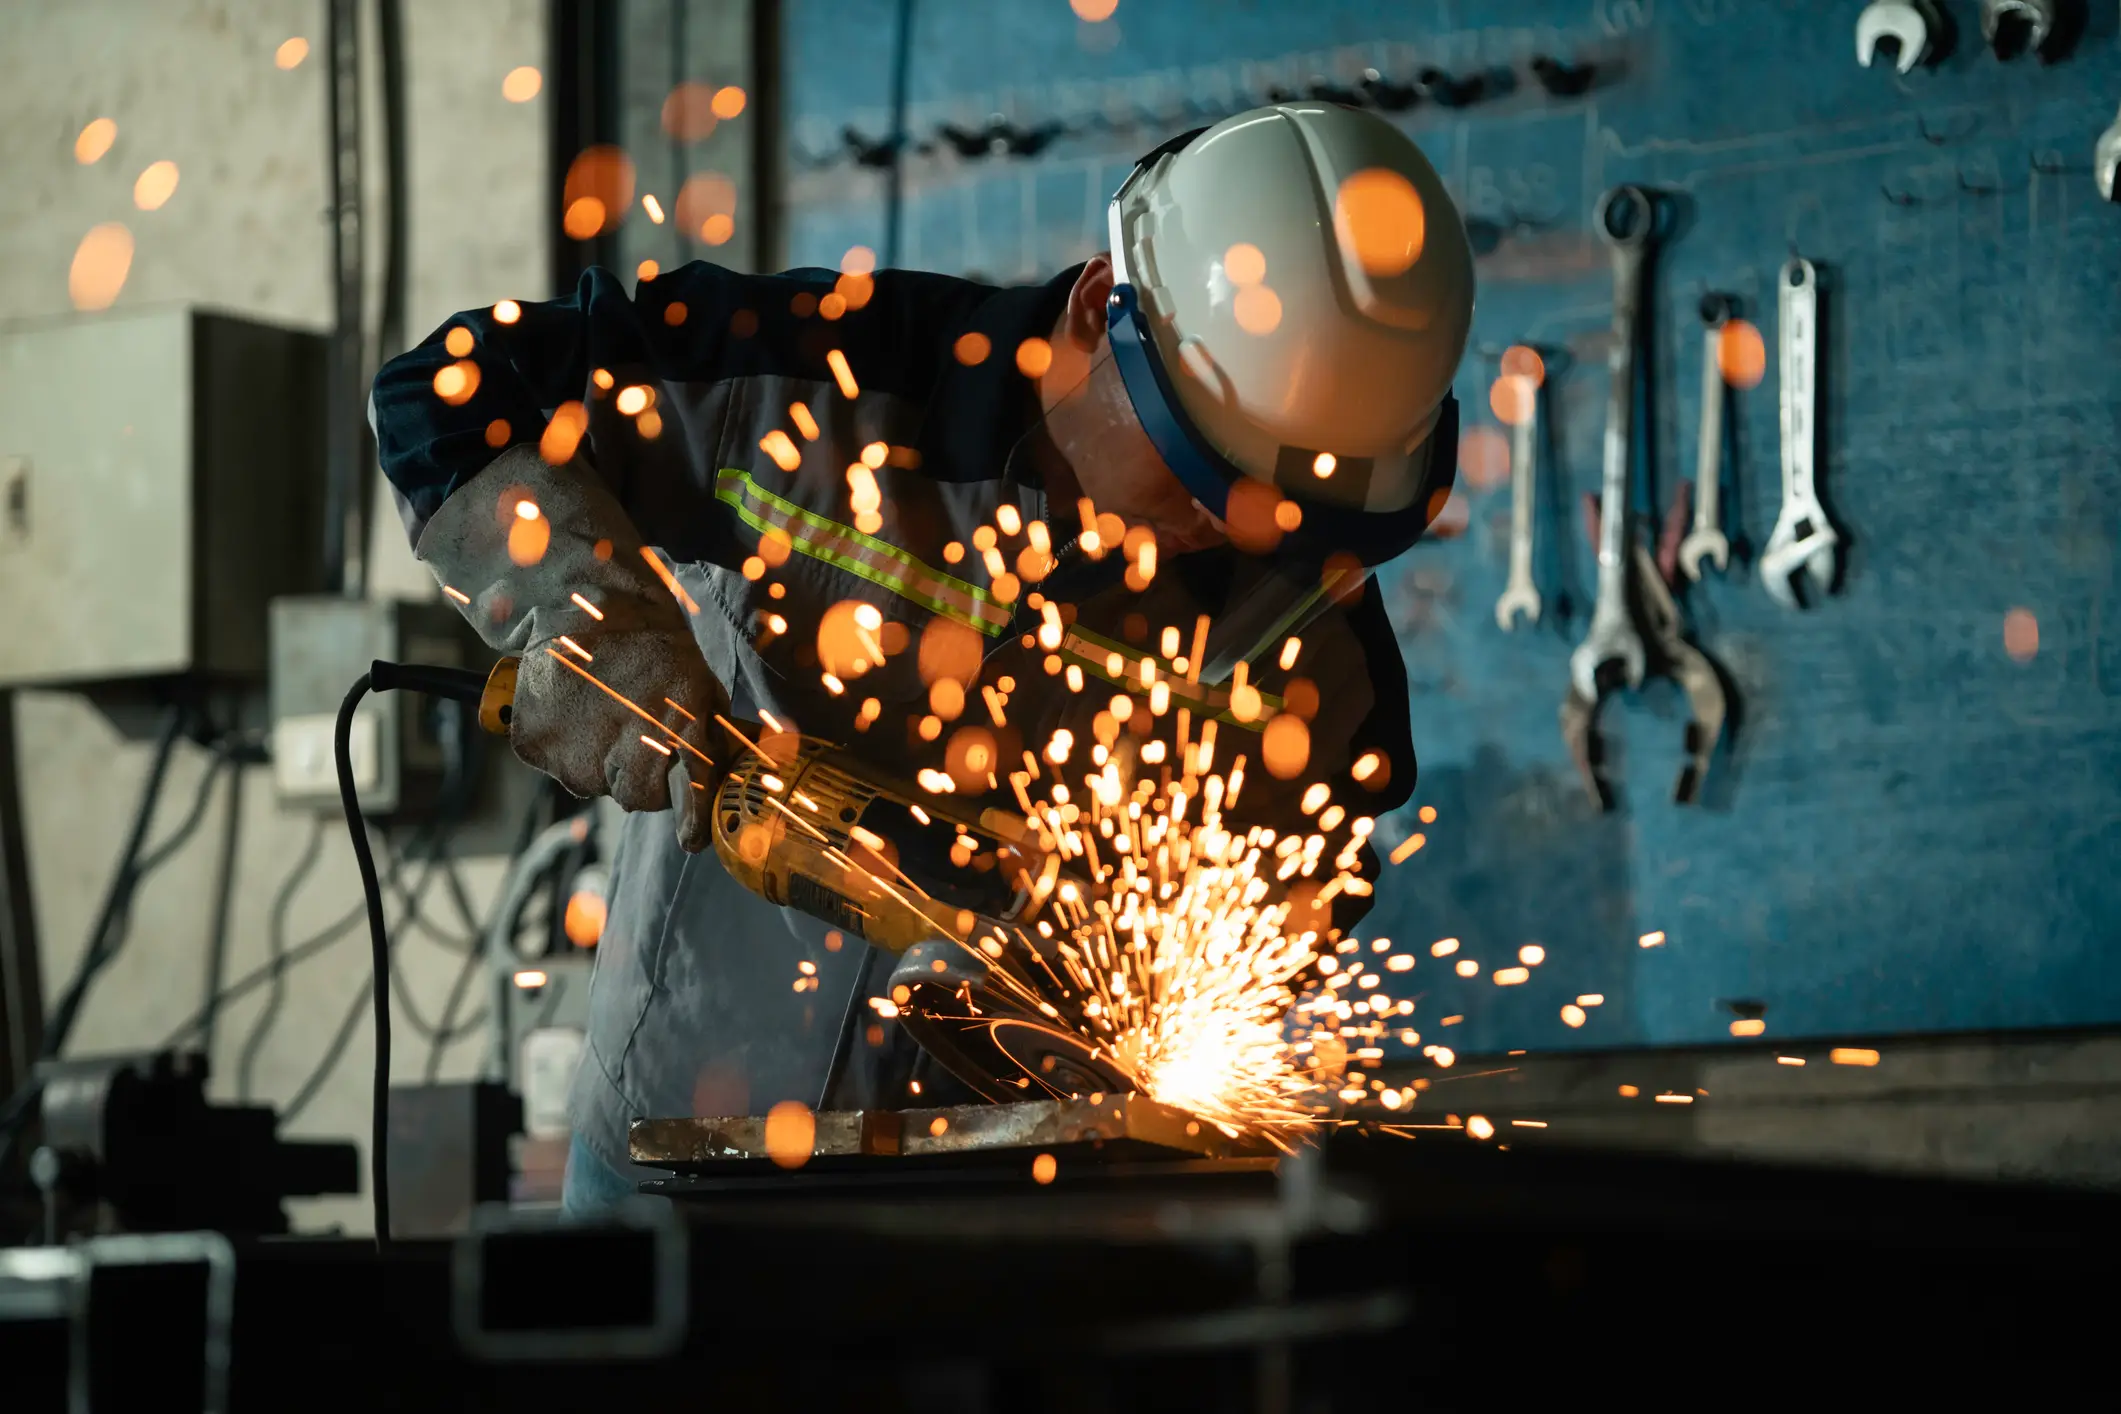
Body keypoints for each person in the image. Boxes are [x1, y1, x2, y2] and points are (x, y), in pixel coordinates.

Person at [370, 102, 1474, 1213]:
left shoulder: (1306, 632)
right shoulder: (820, 377)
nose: (1228, 528)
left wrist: (1111, 983)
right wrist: (584, 606)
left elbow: (1305, 877)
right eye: (1200, 469)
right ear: (1102, 309)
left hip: (1006, 1196)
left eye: (1280, 512)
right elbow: (449, 396)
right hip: (674, 1145)